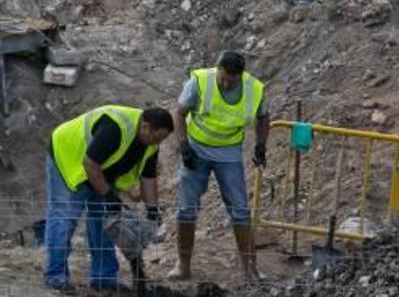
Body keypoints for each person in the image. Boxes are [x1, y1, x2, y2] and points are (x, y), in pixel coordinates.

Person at [43, 105, 173, 294]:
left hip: (100, 172)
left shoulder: (151, 145)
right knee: (65, 217)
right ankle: (55, 276)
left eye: (163, 138)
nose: (158, 142)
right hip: (69, 158)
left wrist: (153, 209)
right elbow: (89, 163)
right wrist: (108, 195)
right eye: (157, 137)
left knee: (107, 221)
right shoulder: (115, 128)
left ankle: (104, 279)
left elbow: (148, 178)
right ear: (146, 126)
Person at [170, 51, 269, 282]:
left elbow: (263, 117)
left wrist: (261, 146)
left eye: (232, 81)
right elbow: (179, 113)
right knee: (186, 208)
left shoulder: (254, 89)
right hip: (196, 150)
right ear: (218, 69)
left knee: (240, 210)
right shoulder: (200, 82)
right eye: (224, 78)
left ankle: (250, 269)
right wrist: (183, 146)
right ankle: (182, 266)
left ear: (240, 76)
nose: (226, 83)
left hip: (229, 153)